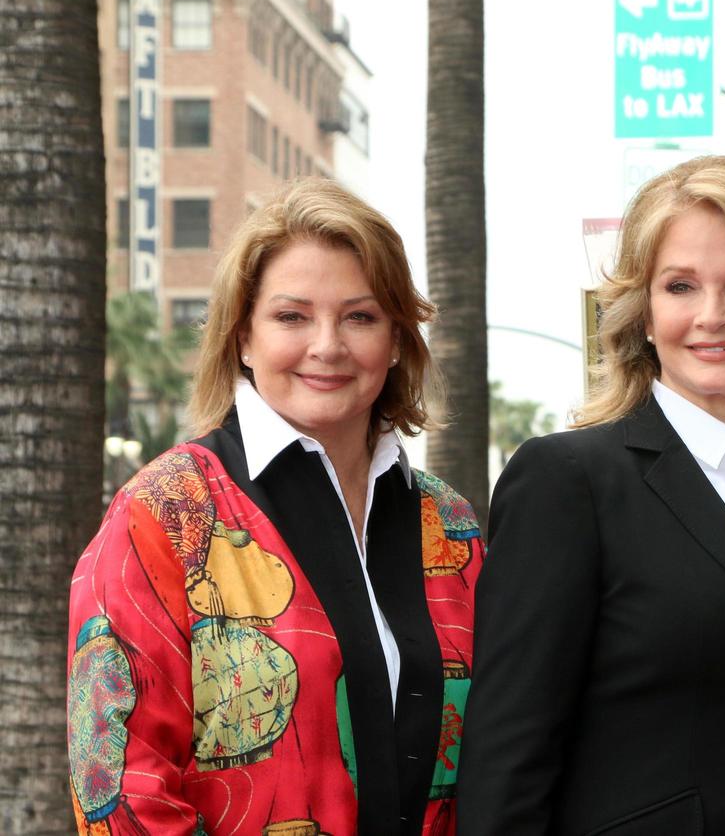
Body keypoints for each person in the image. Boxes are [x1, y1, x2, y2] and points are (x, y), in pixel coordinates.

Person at [457, 156, 725, 835]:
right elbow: (507, 763)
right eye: (681, 286)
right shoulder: (567, 484)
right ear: (645, 315)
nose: (712, 315)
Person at [67, 180, 483, 834]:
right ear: (241, 338)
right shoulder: (165, 515)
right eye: (292, 317)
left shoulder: (451, 527)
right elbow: (122, 788)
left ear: (398, 339)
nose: (328, 346)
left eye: (360, 316)